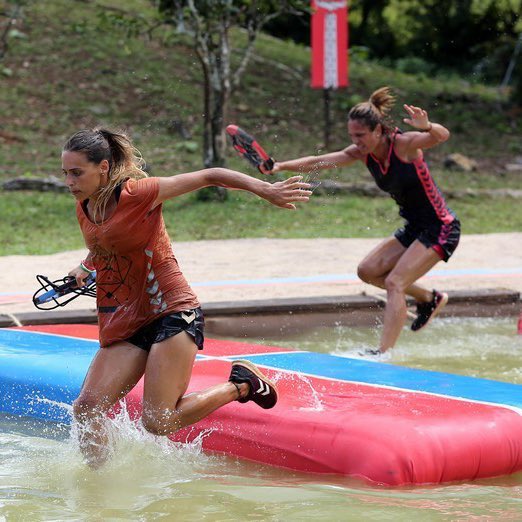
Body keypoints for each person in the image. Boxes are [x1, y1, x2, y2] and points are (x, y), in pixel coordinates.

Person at [63, 127, 312, 468]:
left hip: (172, 311)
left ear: (103, 168)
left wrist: (266, 189)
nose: (69, 181)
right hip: (126, 316)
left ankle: (241, 385)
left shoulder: (140, 193)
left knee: (159, 421)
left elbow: (211, 175)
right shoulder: (85, 206)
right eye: (65, 173)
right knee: (87, 409)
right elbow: (107, 243)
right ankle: (99, 490)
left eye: (77, 172)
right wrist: (83, 266)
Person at [271, 86, 460, 354]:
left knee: (395, 282)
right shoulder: (363, 152)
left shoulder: (404, 145)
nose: (356, 141)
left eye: (360, 135)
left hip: (441, 227)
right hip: (415, 227)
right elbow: (320, 161)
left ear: (378, 130)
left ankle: (383, 354)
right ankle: (429, 299)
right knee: (368, 271)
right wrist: (280, 166)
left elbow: (442, 136)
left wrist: (427, 125)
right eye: (352, 135)